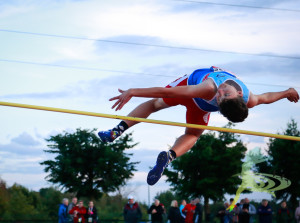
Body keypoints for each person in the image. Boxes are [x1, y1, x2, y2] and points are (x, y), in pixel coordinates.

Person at [98, 66, 299, 186]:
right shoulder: (250, 99)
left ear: (221, 107)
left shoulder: (210, 88)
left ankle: (123, 134)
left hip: (194, 91)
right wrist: (287, 91)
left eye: (221, 99)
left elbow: (168, 93)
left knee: (155, 104)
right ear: (239, 95)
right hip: (199, 102)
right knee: (193, 134)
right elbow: (267, 97)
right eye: (224, 93)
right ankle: (169, 156)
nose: (220, 92)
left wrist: (133, 91)